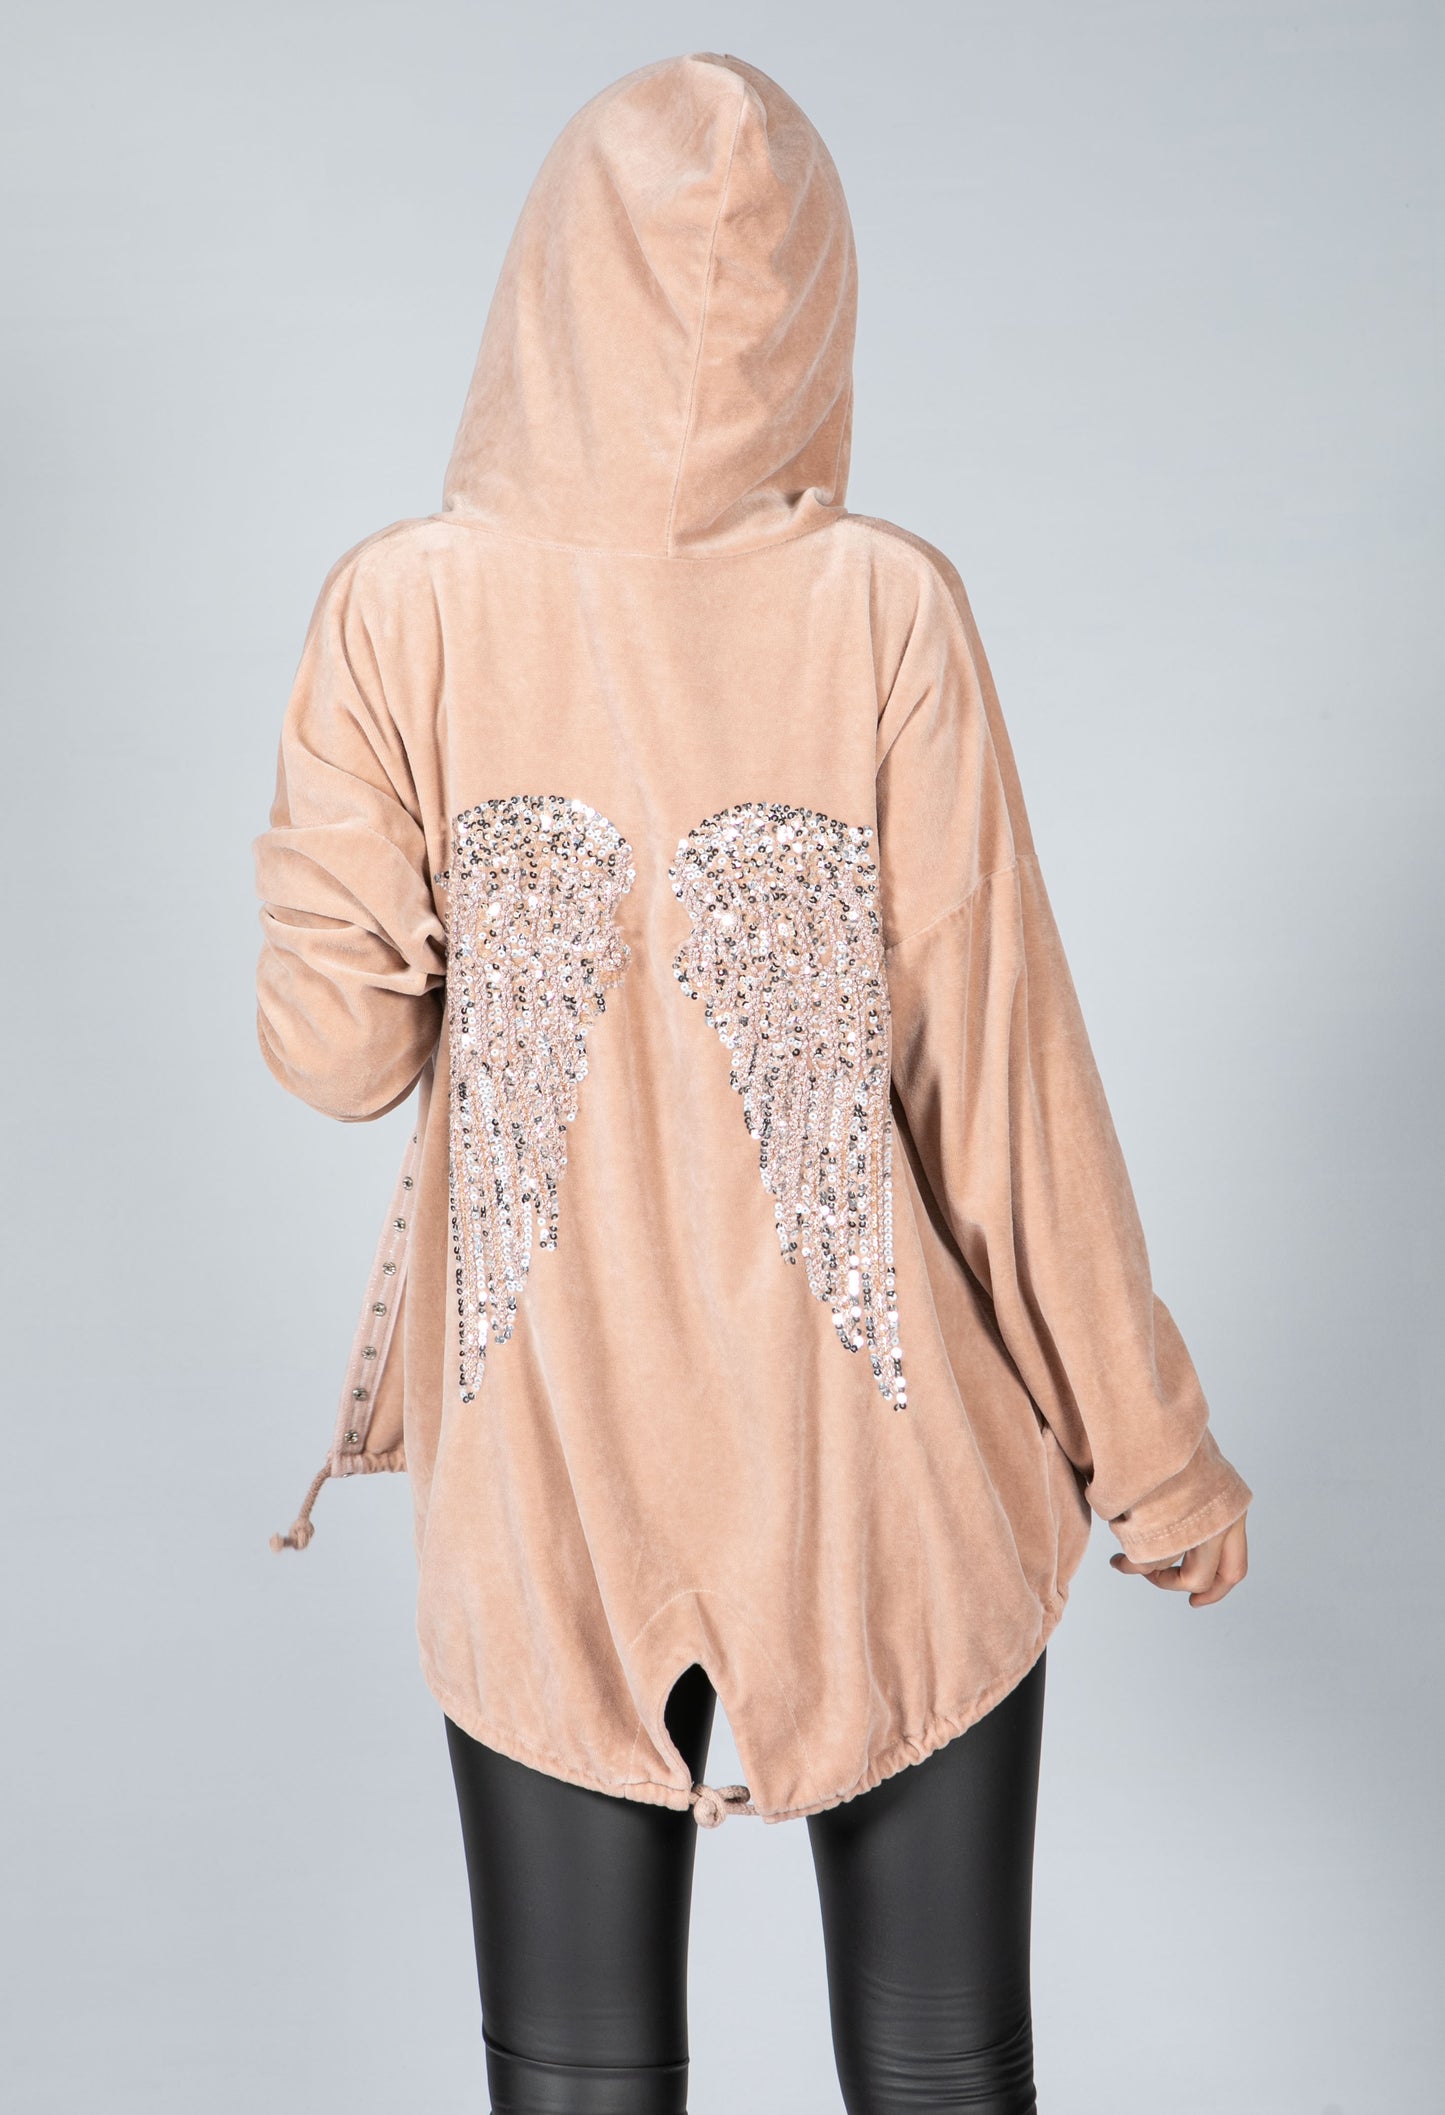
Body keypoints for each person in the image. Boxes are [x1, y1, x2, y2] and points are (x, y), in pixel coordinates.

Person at [255, 51, 1253, 2115]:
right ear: (817, 308)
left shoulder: (399, 611)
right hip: (880, 1473)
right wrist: (1156, 1460)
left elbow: (334, 1055)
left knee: (576, 2083)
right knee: (945, 2076)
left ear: (544, 285)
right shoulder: (882, 608)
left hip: (550, 1479)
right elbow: (1004, 1085)